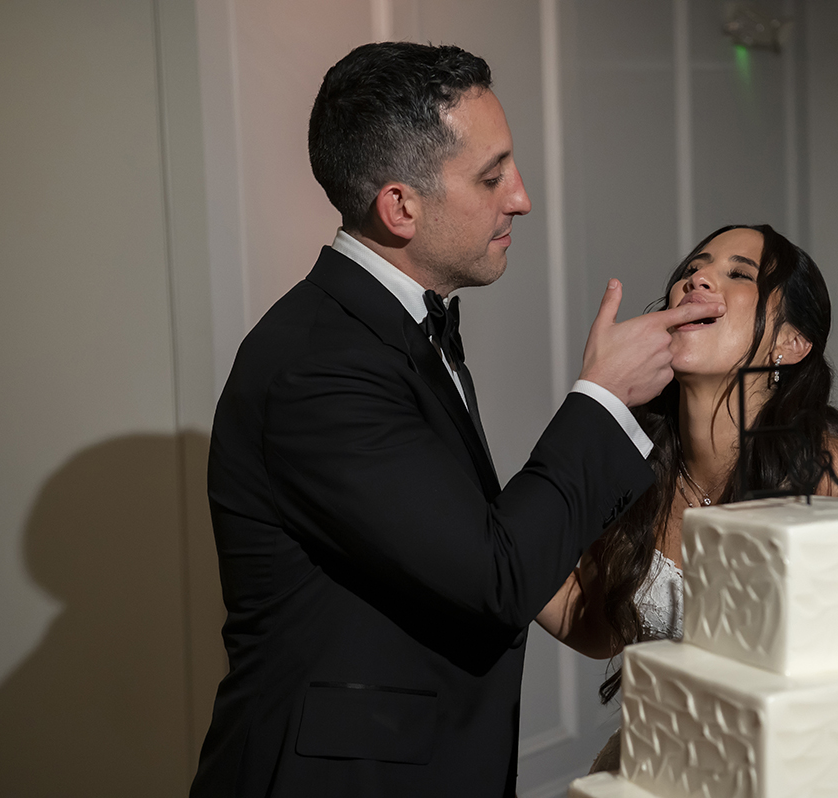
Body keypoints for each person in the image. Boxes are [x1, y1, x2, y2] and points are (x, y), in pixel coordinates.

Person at [189, 42, 723, 798]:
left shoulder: (393, 327)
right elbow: (495, 577)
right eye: (492, 174)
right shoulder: (319, 367)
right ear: (400, 205)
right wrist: (601, 397)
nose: (522, 197)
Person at [535, 224, 838, 769]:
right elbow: (594, 625)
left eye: (738, 274)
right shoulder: (633, 465)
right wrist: (596, 392)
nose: (696, 277)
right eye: (693, 268)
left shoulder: (826, 476)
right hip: (652, 771)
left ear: (789, 344)